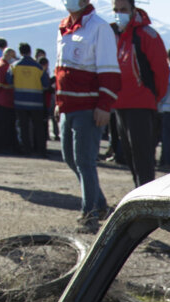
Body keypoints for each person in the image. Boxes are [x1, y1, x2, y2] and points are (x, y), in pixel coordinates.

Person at [55, 0, 120, 233]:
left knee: (84, 160)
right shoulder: (64, 26)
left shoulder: (99, 28)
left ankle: (89, 214)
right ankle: (100, 204)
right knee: (70, 158)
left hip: (88, 106)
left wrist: (104, 105)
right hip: (68, 106)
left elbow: (109, 71)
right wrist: (58, 101)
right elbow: (60, 67)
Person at [111, 0, 167, 187]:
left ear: (133, 10)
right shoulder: (115, 36)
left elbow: (161, 72)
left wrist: (153, 97)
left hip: (141, 105)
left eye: (123, 10)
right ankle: (138, 195)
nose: (119, 14)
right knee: (129, 158)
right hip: (120, 106)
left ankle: (147, 201)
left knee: (143, 160)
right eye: (116, 10)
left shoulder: (147, 35)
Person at [11, 43, 49, 156]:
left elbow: (8, 80)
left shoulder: (14, 66)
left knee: (24, 127)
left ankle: (27, 150)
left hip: (20, 101)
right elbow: (46, 83)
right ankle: (41, 150)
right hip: (36, 102)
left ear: (20, 52)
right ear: (30, 52)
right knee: (38, 127)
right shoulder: (38, 67)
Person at [0, 47, 17, 153]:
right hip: (3, 99)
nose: (14, 58)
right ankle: (3, 146)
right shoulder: (3, 66)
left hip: (3, 99)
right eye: (13, 56)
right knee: (3, 125)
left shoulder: (1, 64)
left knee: (3, 124)